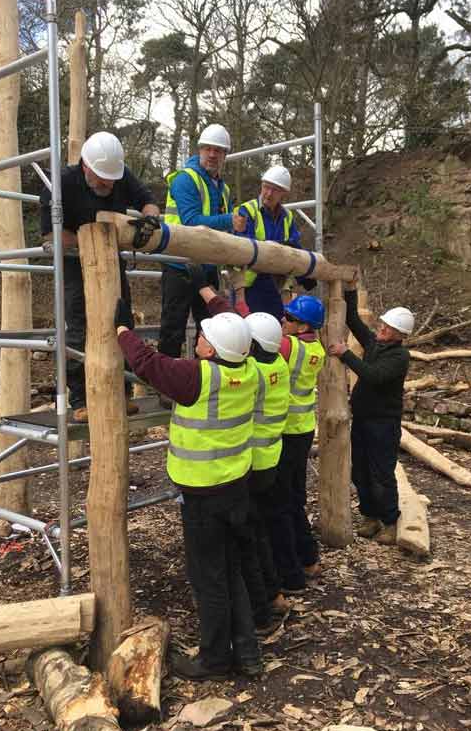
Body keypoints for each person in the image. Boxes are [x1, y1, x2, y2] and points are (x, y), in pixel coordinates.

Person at [115, 298, 262, 681]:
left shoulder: (198, 377)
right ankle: (248, 654)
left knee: (209, 578)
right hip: (236, 487)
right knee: (232, 572)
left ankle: (214, 661)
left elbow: (148, 364)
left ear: (211, 349)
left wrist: (123, 332)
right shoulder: (249, 372)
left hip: (205, 496)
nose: (197, 338)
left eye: (202, 336)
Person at [189, 267, 291, 633]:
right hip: (268, 460)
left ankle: (261, 608)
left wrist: (204, 291)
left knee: (248, 540)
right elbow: (238, 328)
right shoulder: (275, 361)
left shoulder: (247, 372)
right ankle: (274, 594)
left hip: (249, 467)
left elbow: (233, 335)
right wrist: (206, 292)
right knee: (258, 531)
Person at [40, 131, 160, 421]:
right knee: (80, 326)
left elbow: (148, 201)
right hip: (74, 262)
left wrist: (150, 219)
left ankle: (123, 393)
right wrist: (90, 239)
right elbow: (50, 234)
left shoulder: (119, 174)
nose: (108, 184)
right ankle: (80, 399)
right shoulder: (61, 182)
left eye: (112, 179)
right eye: (102, 178)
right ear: (85, 167)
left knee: (123, 322)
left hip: (111, 259)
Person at [328, 286, 414, 545]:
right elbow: (353, 319)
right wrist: (350, 290)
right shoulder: (376, 343)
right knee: (361, 471)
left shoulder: (400, 356)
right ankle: (370, 517)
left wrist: (345, 354)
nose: (382, 329)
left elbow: (374, 376)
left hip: (383, 424)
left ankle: (389, 521)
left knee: (381, 474)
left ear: (399, 335)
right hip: (364, 419)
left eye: (388, 328)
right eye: (383, 325)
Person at [158, 124, 247, 367]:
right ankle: (168, 385)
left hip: (206, 268)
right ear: (199, 150)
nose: (212, 154)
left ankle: (205, 379)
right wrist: (230, 220)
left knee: (210, 327)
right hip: (179, 264)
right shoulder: (186, 179)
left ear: (225, 155)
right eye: (207, 149)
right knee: (173, 327)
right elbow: (191, 221)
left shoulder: (223, 188)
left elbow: (223, 231)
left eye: (218, 150)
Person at [270, 294, 326, 594]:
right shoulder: (316, 348)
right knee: (294, 496)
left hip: (286, 431)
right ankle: (309, 558)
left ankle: (291, 573)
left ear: (303, 325)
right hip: (303, 429)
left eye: (289, 318)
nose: (283, 321)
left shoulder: (289, 346)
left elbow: (255, 337)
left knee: (281, 502)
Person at [235, 165, 317, 320]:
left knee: (275, 332)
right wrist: (281, 246)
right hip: (249, 285)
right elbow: (244, 249)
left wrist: (305, 274)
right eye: (266, 187)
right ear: (261, 185)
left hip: (275, 285)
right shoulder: (246, 211)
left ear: (284, 193)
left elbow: (294, 248)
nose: (269, 193)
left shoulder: (287, 216)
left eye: (275, 190)